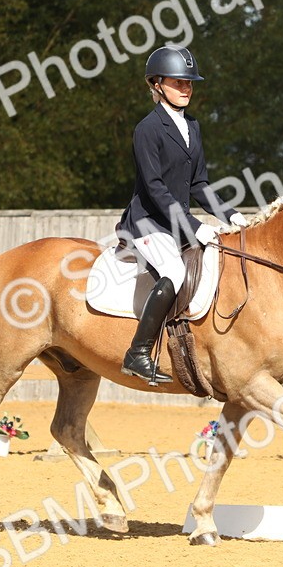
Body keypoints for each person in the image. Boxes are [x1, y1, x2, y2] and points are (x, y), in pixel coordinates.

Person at [115, 45, 248, 385]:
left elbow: (199, 184)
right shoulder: (147, 129)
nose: (186, 88)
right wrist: (193, 226)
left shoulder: (193, 126)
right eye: (178, 82)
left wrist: (230, 215)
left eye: (189, 82)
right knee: (174, 271)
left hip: (174, 224)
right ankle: (138, 353)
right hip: (147, 222)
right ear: (156, 84)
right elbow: (154, 188)